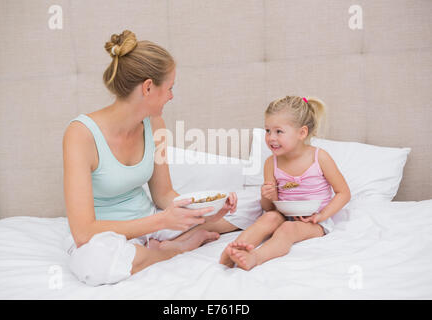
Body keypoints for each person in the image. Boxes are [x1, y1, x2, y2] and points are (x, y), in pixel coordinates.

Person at [62, 30, 240, 286]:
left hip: (151, 223)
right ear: (148, 87)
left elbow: (164, 194)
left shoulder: (155, 124)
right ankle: (172, 250)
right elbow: (82, 232)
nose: (171, 96)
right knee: (94, 263)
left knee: (240, 215)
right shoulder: (80, 134)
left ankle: (158, 247)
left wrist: (204, 212)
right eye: (169, 88)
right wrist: (161, 222)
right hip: (104, 235)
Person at [219, 96, 351, 270]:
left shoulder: (320, 157)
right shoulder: (271, 163)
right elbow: (269, 208)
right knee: (268, 218)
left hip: (315, 221)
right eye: (267, 131)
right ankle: (233, 250)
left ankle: (256, 257)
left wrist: (321, 216)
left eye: (279, 132)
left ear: (302, 133)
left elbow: (344, 193)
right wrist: (268, 196)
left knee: (288, 229)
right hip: (283, 214)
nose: (271, 137)